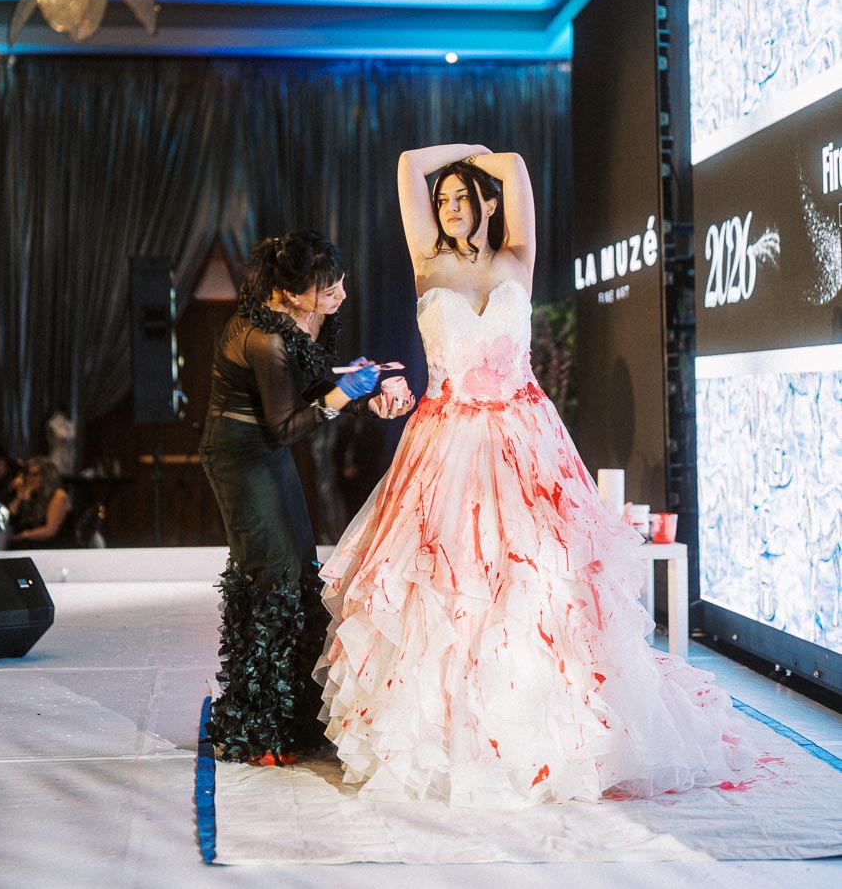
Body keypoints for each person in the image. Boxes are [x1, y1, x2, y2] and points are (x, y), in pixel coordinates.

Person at [317, 144, 749, 806]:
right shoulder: (426, 263)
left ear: (488, 202)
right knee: (449, 589)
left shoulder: (517, 257)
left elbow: (517, 164)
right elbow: (406, 163)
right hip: (450, 439)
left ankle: (547, 733)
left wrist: (488, 161)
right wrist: (462, 155)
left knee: (539, 589)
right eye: (444, 201)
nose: (452, 208)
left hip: (526, 440)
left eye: (464, 197)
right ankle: (451, 735)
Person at [200, 231, 413, 766]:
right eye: (328, 287)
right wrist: (349, 393)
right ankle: (257, 729)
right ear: (292, 294)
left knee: (297, 573)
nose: (340, 293)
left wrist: (367, 401)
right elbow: (290, 426)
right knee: (270, 578)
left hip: (266, 450)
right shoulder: (262, 337)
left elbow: (316, 391)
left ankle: (291, 718)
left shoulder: (295, 322)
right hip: (240, 455)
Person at [8, 456, 74, 548]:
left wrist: (23, 535)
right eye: (28, 475)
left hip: (55, 548)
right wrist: (18, 499)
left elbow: (49, 531)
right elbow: (7, 520)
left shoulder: (59, 495)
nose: (30, 479)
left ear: (47, 476)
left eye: (35, 475)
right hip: (31, 546)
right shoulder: (31, 496)